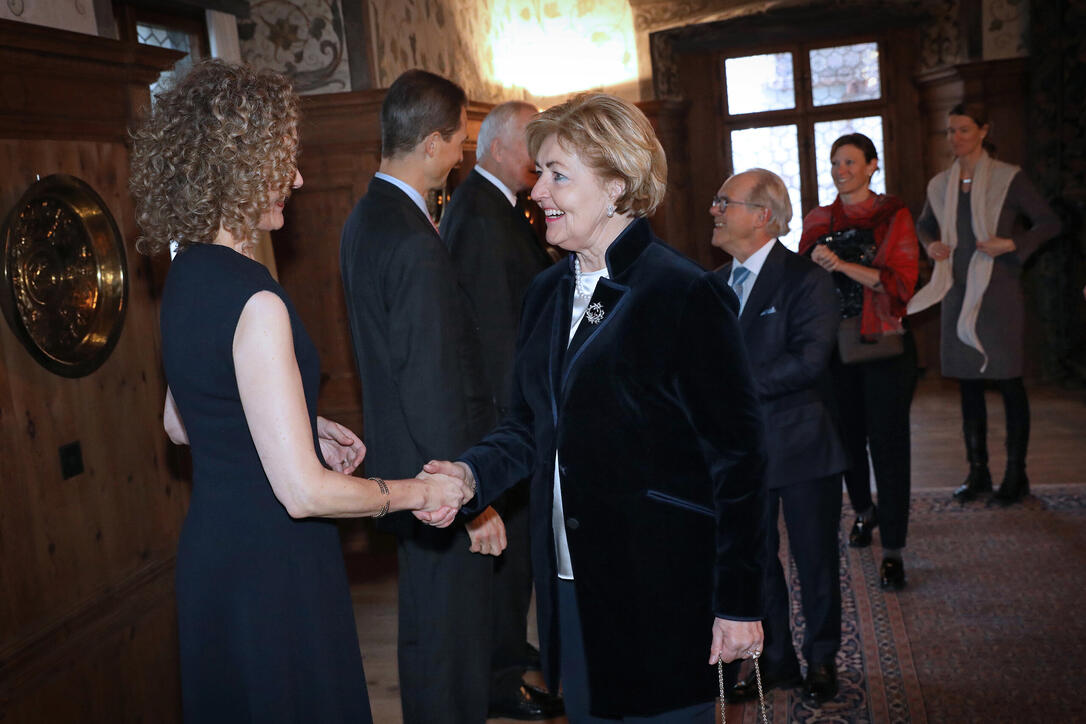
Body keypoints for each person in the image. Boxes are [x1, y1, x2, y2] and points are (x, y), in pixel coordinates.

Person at [129, 60, 470, 724]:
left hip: (214, 557)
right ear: (236, 166)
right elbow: (304, 492)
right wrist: (418, 492)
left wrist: (298, 422)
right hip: (273, 566)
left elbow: (182, 421)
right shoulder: (256, 298)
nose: (297, 178)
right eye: (281, 162)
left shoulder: (185, 274)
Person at [425, 93, 768, 723]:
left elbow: (739, 461)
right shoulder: (548, 291)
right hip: (570, 586)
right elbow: (529, 425)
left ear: (615, 184)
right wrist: (471, 476)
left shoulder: (682, 293)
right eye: (539, 173)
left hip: (662, 590)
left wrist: (741, 601)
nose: (538, 192)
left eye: (558, 174)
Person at [339, 69, 502, 724]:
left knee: (427, 636)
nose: (463, 153)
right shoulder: (410, 238)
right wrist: (469, 496)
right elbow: (432, 383)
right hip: (434, 481)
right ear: (433, 142)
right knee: (450, 649)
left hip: (404, 468)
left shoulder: (365, 218)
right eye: (460, 139)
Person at [440, 101, 564, 721]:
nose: (540, 163)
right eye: (532, 148)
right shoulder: (482, 217)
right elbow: (493, 342)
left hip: (515, 420)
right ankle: (502, 676)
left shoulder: (502, 208)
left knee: (515, 562)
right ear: (494, 146)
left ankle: (513, 653)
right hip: (501, 421)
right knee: (503, 561)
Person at [713, 169, 847, 704]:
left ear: (762, 216)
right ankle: (776, 661)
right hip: (740, 453)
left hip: (801, 445)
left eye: (726, 202)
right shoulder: (715, 282)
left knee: (815, 559)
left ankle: (821, 657)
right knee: (756, 559)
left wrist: (729, 387)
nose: (715, 210)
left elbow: (809, 362)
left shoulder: (806, 279)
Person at [909, 102, 1061, 506]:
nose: (954, 137)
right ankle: (978, 473)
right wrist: (932, 244)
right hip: (956, 291)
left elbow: (1049, 222)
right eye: (950, 131)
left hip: (999, 292)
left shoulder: (1010, 178)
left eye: (962, 130)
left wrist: (1012, 242)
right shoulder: (940, 184)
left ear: (983, 130)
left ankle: (1017, 476)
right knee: (968, 387)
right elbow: (924, 225)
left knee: (1009, 383)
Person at [799, 133, 919, 591]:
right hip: (832, 350)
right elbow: (802, 280)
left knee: (889, 448)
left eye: (850, 162)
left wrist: (842, 265)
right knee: (846, 443)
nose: (840, 170)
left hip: (884, 347)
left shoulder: (893, 216)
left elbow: (901, 283)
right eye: (834, 163)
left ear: (872, 165)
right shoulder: (818, 219)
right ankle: (865, 512)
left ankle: (894, 550)